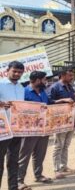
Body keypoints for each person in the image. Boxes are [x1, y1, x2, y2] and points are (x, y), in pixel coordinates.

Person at [18, 71, 53, 189]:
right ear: (38, 80)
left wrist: (64, 102)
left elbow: (49, 105)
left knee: (40, 153)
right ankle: (19, 180)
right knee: (24, 155)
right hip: (29, 130)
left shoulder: (43, 92)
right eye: (44, 79)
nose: (46, 82)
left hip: (43, 129)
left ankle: (38, 175)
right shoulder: (24, 92)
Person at [47, 69, 75, 179]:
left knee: (66, 145)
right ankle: (57, 169)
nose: (72, 77)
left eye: (72, 75)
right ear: (62, 75)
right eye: (70, 75)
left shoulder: (70, 87)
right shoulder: (54, 87)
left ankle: (63, 166)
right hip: (59, 122)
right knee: (58, 145)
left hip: (70, 120)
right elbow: (48, 102)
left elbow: (73, 99)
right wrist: (63, 100)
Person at [0, 61, 25, 190]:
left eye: (20, 72)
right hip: (2, 129)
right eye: (14, 71)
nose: (17, 74)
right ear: (7, 70)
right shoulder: (0, 84)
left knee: (14, 160)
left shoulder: (21, 88)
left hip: (16, 129)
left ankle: (13, 187)